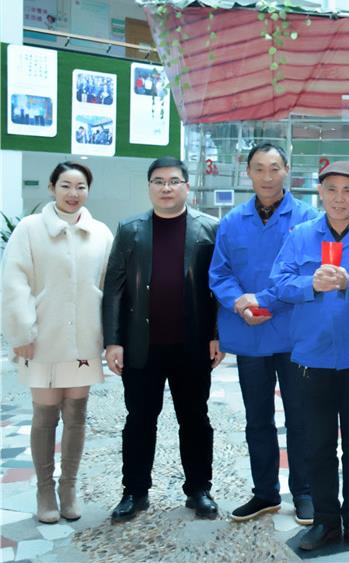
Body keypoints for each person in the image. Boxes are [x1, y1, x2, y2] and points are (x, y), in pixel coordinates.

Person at [270, 161, 349, 552]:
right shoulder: (300, 236)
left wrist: (348, 282)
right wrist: (310, 283)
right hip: (312, 359)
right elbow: (279, 284)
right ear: (320, 193)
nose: (340, 198)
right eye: (332, 190)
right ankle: (324, 521)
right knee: (317, 445)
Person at [102, 156, 225, 523]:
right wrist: (113, 340)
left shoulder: (209, 228)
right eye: (158, 181)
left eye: (173, 181)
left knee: (195, 418)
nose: (166, 188)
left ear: (187, 186)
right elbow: (114, 289)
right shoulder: (130, 229)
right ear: (149, 187)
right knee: (139, 420)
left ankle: (199, 489)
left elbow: (219, 287)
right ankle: (134, 492)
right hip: (142, 345)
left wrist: (217, 334)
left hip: (192, 343)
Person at [209, 143, 320, 525]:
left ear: (287, 170)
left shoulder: (307, 219)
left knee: (301, 417)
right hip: (250, 335)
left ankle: (304, 492)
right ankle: (265, 493)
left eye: (274, 168)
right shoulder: (232, 222)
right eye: (259, 169)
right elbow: (220, 273)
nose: (267, 177)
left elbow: (311, 274)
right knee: (257, 418)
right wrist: (239, 303)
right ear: (248, 173)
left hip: (294, 334)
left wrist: (269, 304)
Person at [1, 162, 113, 524]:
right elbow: (14, 280)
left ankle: (69, 487)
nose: (73, 194)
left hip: (84, 340)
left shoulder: (100, 233)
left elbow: (110, 287)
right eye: (65, 185)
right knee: (45, 415)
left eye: (80, 187)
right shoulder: (30, 229)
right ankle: (45, 490)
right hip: (42, 340)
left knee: (76, 415)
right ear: (52, 188)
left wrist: (110, 337)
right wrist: (21, 332)